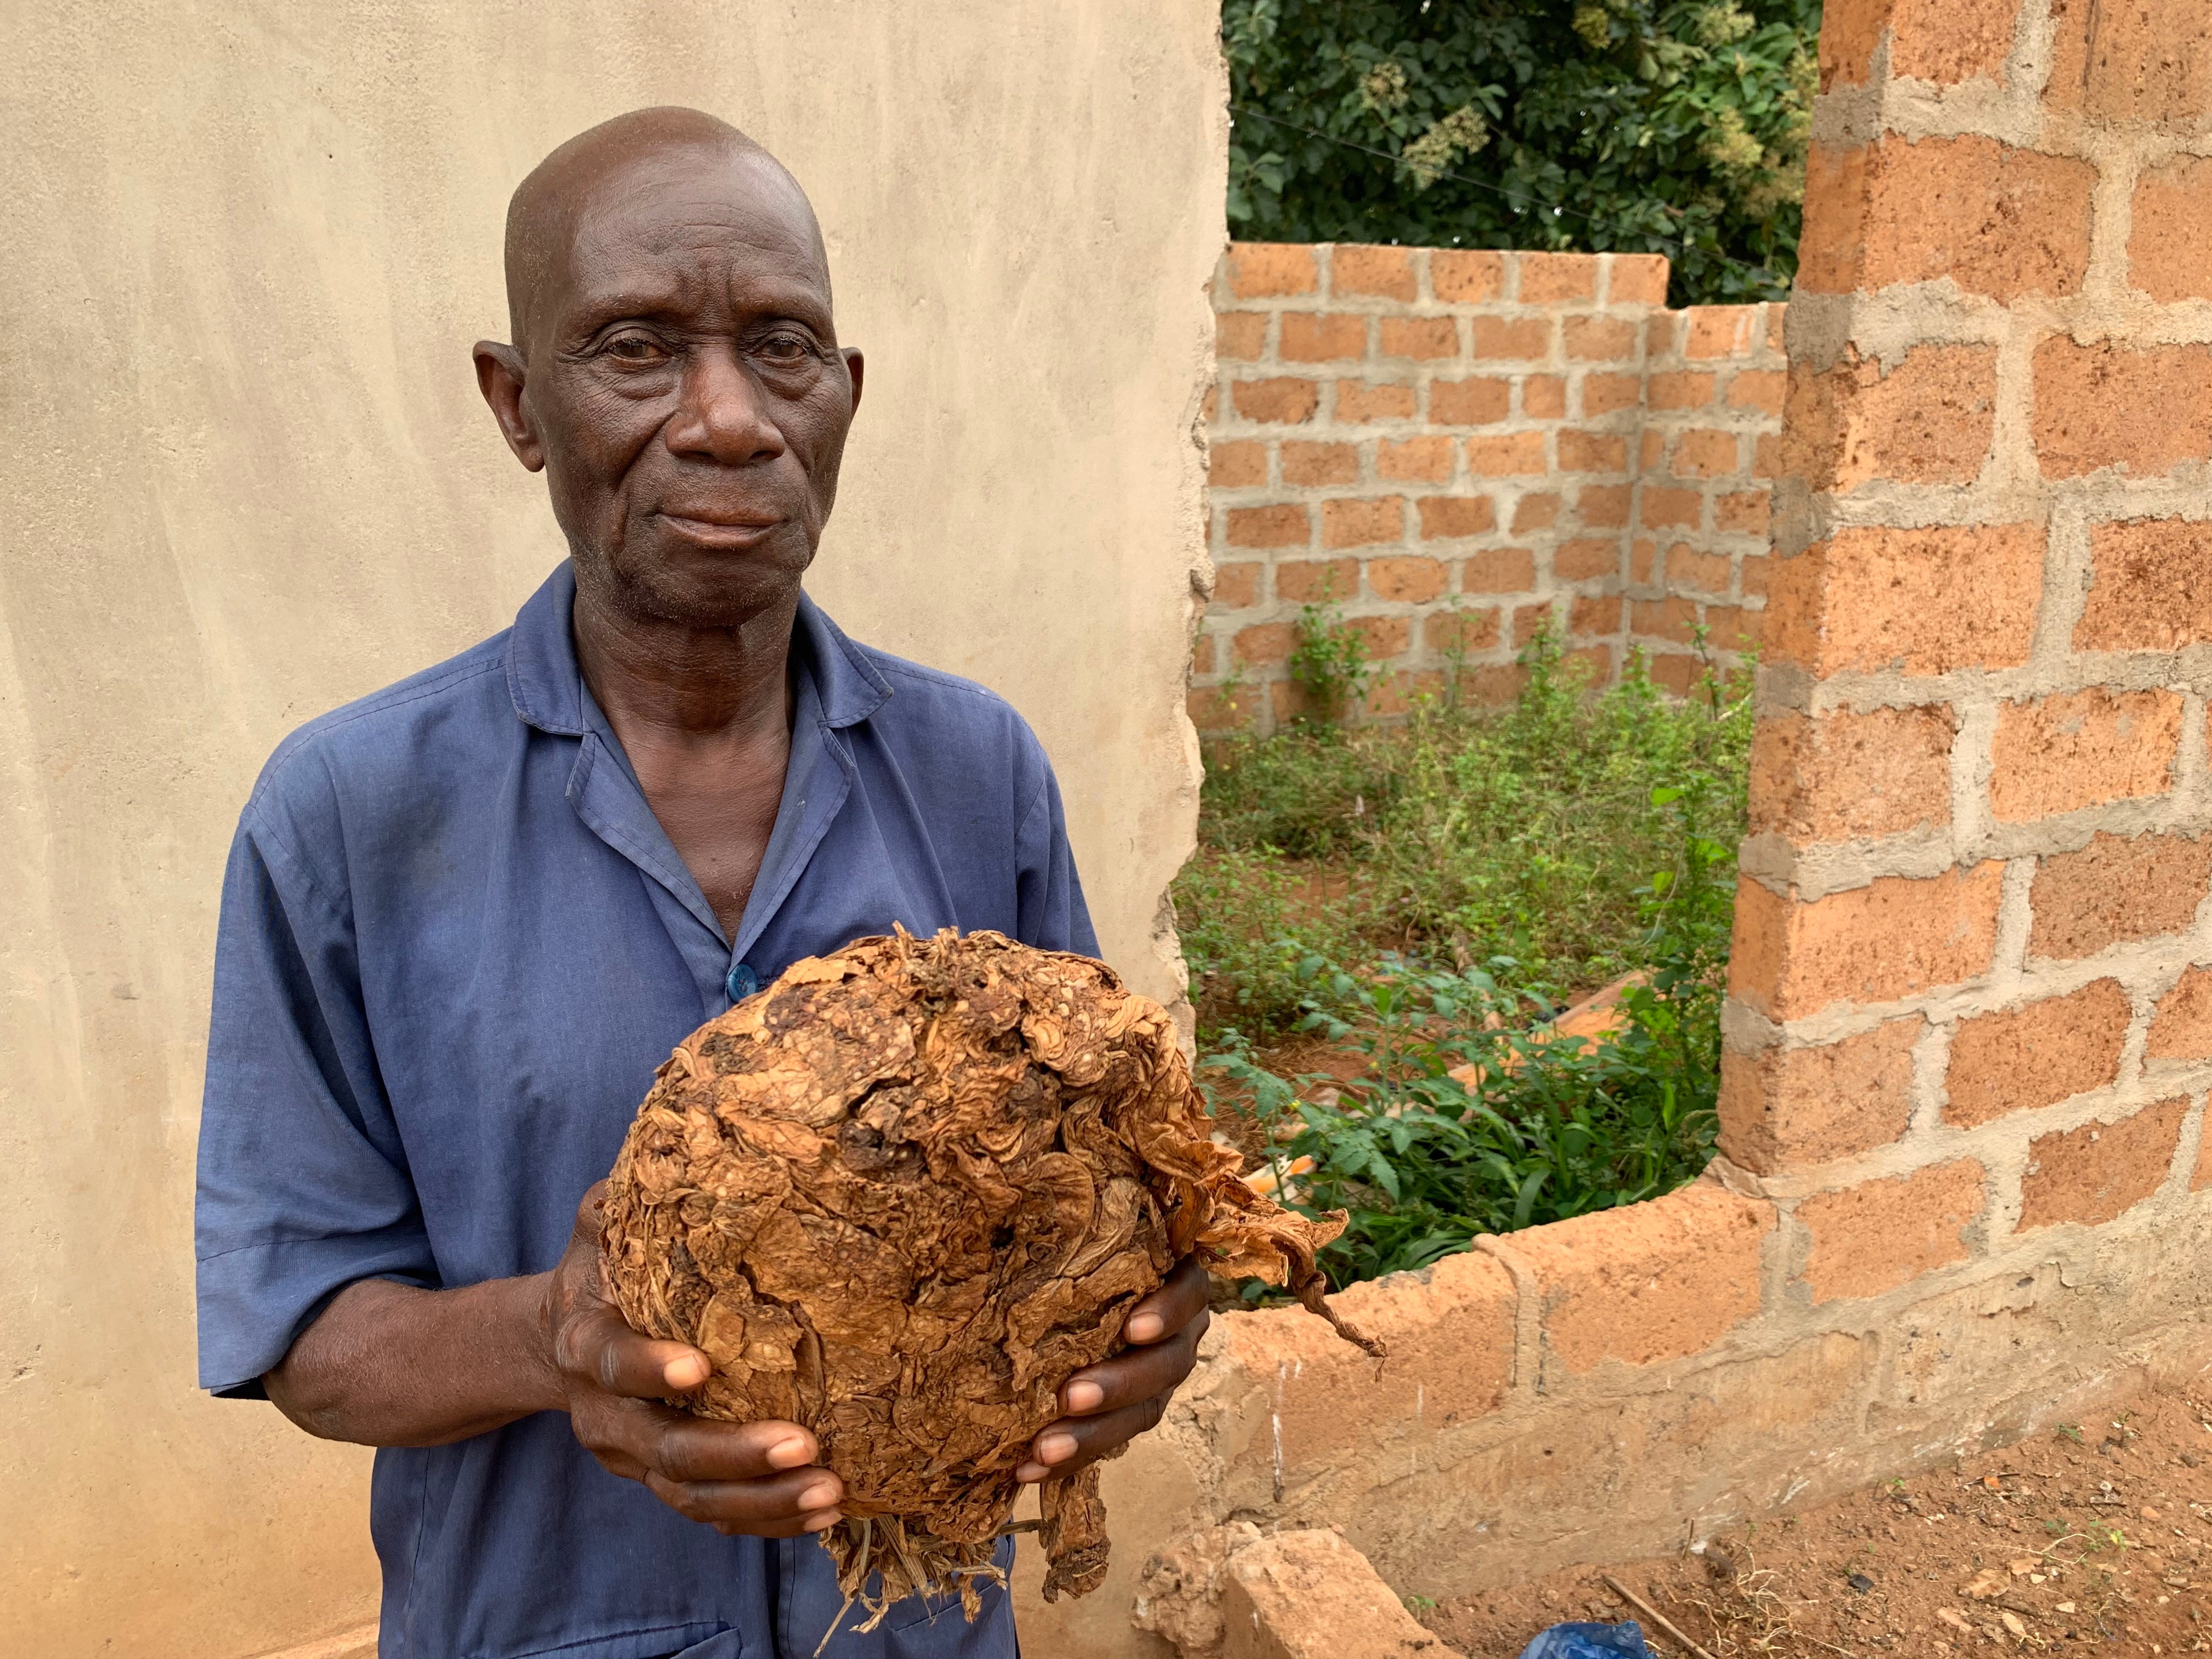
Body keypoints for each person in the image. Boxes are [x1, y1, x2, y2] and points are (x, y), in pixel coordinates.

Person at [193, 106, 1210, 1659]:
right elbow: (305, 1337)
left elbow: (1103, 1189)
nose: (728, 420)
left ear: (846, 397)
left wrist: (1142, 1322)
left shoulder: (978, 770)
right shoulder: (348, 813)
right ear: (519, 404)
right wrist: (559, 1335)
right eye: (636, 349)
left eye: (781, 348)